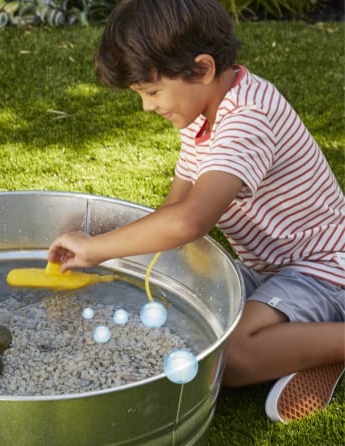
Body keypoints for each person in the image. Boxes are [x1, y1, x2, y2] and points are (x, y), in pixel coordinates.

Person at [48, 0, 344, 424]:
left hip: (323, 270)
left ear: (202, 69)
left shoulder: (248, 120)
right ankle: (303, 348)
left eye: (151, 92)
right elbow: (173, 209)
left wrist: (97, 248)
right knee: (187, 310)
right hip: (269, 269)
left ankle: (328, 345)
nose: (147, 107)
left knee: (232, 356)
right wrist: (108, 242)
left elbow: (190, 221)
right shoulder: (203, 116)